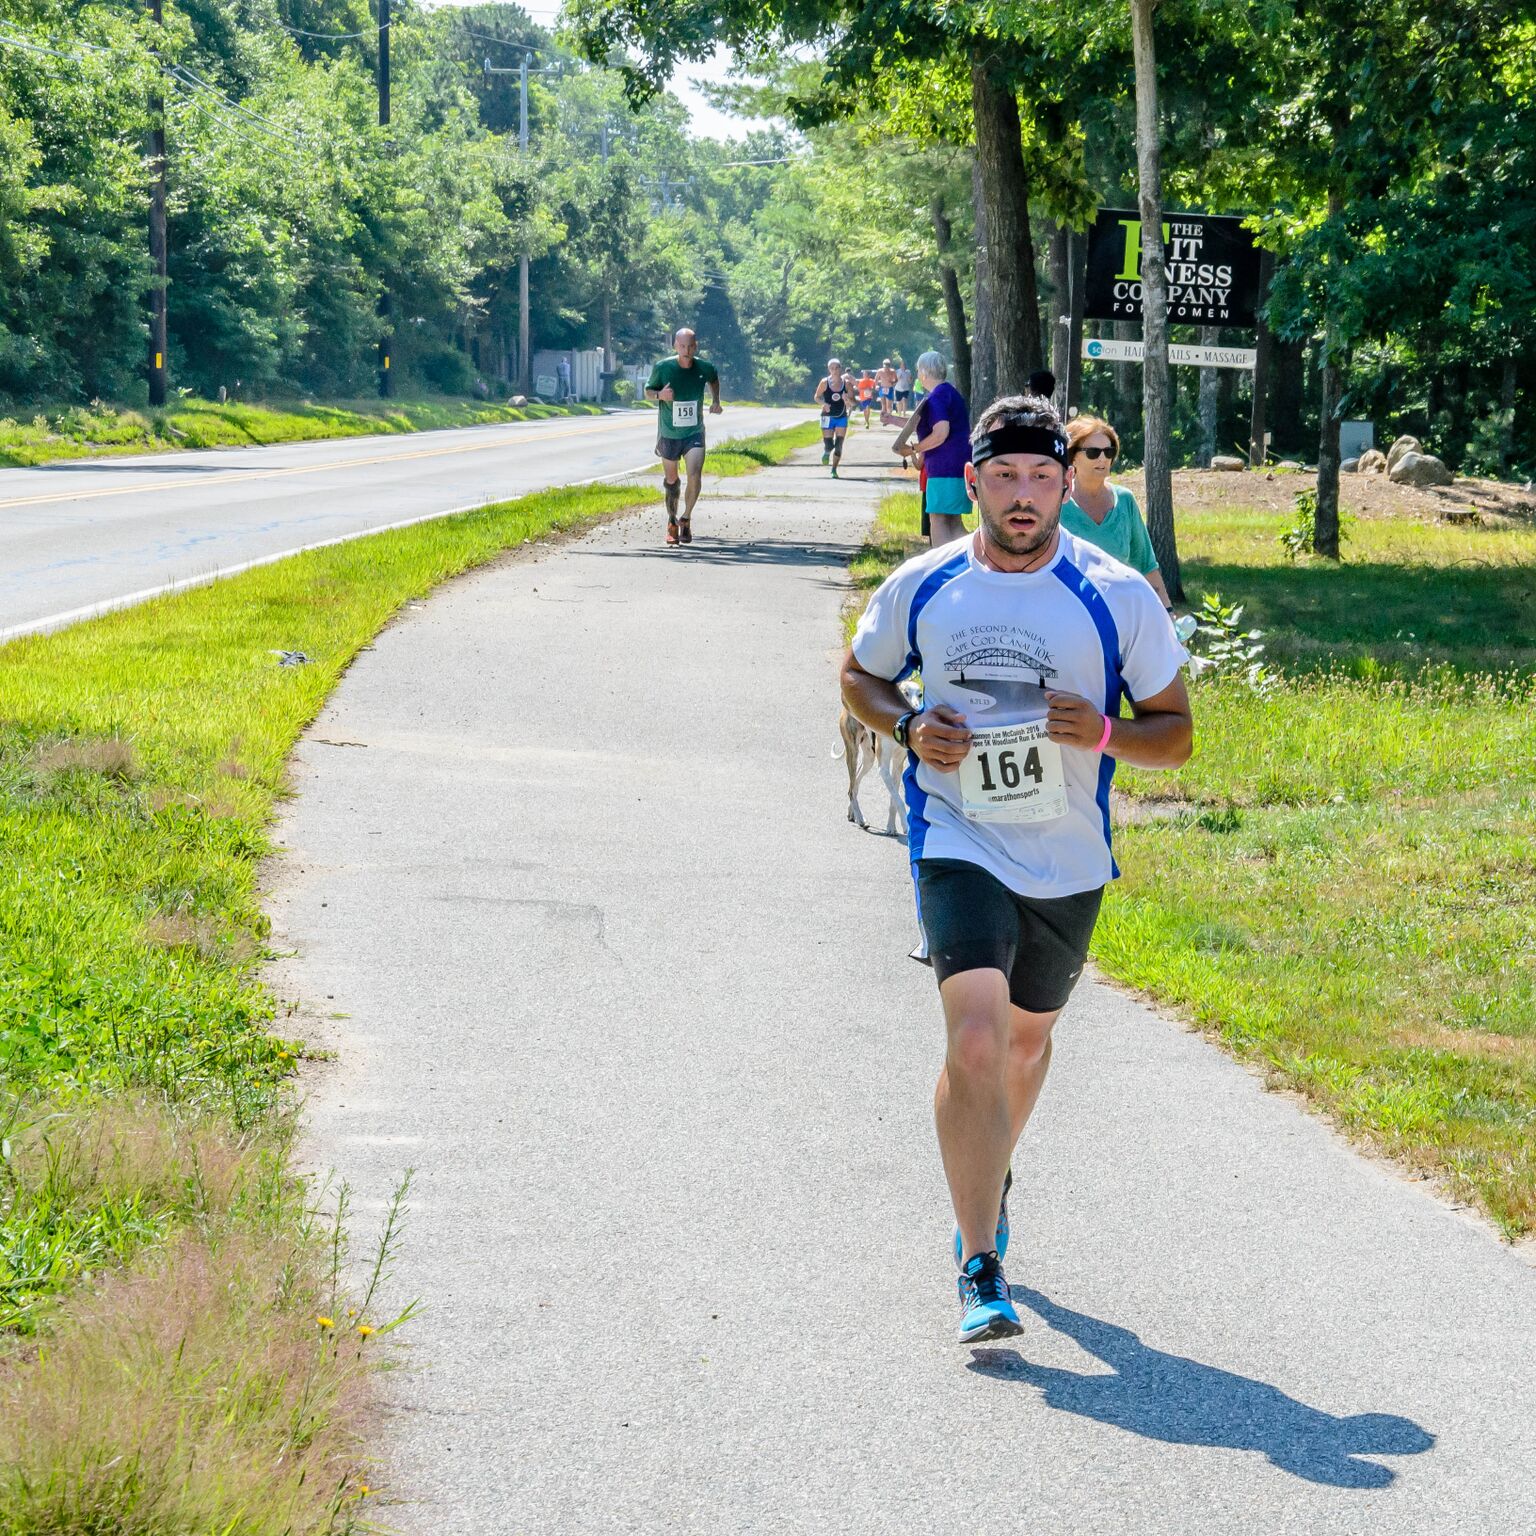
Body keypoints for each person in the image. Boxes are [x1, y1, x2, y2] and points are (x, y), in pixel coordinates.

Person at [842, 392, 1193, 1343]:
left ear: (1066, 478)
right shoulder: (922, 584)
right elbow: (860, 677)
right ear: (977, 480)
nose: (1027, 495)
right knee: (977, 1041)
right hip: (957, 832)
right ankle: (979, 1259)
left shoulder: (1116, 593)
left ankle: (986, 1172)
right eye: (1006, 476)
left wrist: (1110, 728)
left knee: (1027, 1045)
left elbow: (1177, 736)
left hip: (1068, 853)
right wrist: (910, 724)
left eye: (1045, 475)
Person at [1061, 416, 1174, 611]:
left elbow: (1145, 564)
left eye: (1109, 451)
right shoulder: (1056, 503)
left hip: (1120, 614)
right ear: (1072, 457)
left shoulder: (1125, 500)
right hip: (1068, 613)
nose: (1103, 458)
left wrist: (1167, 612)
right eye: (1093, 452)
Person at [645, 328, 722, 546]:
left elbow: (714, 379)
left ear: (695, 346)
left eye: (690, 346)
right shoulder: (663, 368)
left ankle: (686, 517)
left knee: (695, 474)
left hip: (693, 432)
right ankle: (671, 522)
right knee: (672, 481)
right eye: (682, 346)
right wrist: (660, 395)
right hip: (669, 433)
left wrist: (716, 400)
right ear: (675, 346)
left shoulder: (704, 368)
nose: (686, 350)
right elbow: (648, 391)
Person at [892, 351, 969, 546]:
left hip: (944, 467)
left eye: (918, 370)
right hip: (958, 465)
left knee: (938, 519)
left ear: (924, 373)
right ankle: (973, 561)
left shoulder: (937, 397)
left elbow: (941, 432)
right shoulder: (949, 392)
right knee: (953, 521)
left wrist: (912, 449)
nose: (918, 375)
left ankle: (942, 566)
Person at [814, 359, 855, 478]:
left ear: (840, 369)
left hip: (841, 416)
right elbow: (816, 397)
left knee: (838, 445)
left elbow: (854, 402)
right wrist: (823, 404)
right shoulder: (824, 382)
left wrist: (847, 399)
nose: (834, 371)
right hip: (827, 416)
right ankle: (827, 451)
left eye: (836, 368)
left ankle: (834, 470)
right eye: (831, 368)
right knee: (828, 444)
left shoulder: (846, 383)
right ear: (829, 370)